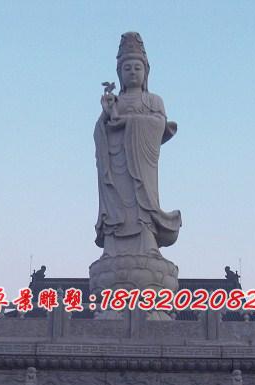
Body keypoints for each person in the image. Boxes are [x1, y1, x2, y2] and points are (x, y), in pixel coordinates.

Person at [94, 32, 181, 258]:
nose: (132, 72)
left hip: (141, 165)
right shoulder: (116, 101)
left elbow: (159, 124)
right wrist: (106, 114)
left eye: (137, 68)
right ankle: (112, 246)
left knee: (142, 202)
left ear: (146, 72)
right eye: (127, 68)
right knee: (116, 202)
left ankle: (147, 243)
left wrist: (128, 122)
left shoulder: (153, 100)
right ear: (120, 74)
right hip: (116, 164)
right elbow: (101, 131)